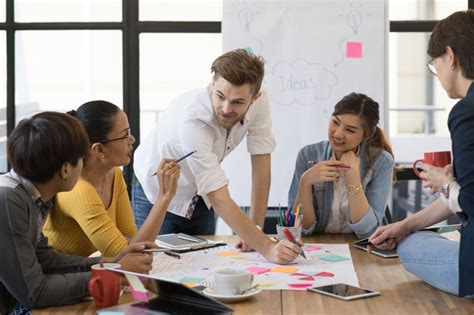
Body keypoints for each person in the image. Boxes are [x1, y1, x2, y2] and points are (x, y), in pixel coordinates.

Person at [133, 48, 300, 264]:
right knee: (156, 267)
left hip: (199, 196)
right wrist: (267, 247)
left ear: (255, 97)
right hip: (158, 191)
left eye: (238, 102)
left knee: (203, 264)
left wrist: (255, 229)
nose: (226, 108)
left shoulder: (260, 103)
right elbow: (219, 197)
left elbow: (261, 165)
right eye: (220, 96)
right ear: (213, 83)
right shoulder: (194, 120)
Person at [0, 112, 155, 314]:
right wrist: (111, 273)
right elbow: (34, 292)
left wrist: (107, 263)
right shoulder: (9, 202)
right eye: (82, 159)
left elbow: (45, 259)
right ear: (66, 170)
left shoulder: (32, 195)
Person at [369, 10, 474, 297]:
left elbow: (469, 200)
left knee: (411, 246)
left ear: (450, 57)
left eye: (435, 64)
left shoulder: (466, 112)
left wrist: (445, 183)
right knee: (414, 234)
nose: (437, 73)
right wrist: (404, 225)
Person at [43, 101, 180, 257]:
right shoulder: (79, 189)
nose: (132, 140)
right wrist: (164, 197)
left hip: (85, 270)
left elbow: (131, 240)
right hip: (62, 275)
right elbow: (126, 255)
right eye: (125, 136)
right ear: (99, 149)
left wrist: (164, 197)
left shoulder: (113, 173)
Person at [288, 93, 395, 239]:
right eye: (335, 122)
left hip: (362, 251)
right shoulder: (307, 155)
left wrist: (353, 177)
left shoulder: (382, 162)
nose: (338, 134)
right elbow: (299, 229)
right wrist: (305, 182)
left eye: (350, 130)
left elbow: (368, 232)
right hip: (318, 249)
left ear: (366, 135)